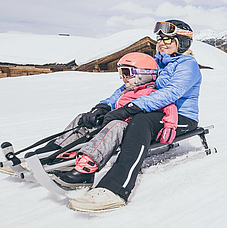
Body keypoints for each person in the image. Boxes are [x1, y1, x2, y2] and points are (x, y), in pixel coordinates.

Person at [67, 19, 202, 212]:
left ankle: (115, 189)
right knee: (98, 119)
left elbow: (171, 93)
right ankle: (60, 158)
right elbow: (128, 88)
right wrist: (105, 106)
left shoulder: (187, 65)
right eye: (160, 39)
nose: (162, 43)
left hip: (180, 118)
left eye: (169, 39)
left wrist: (132, 107)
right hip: (152, 111)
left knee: (140, 121)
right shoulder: (155, 62)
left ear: (181, 42)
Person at [49, 53, 178, 189]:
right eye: (121, 73)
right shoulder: (125, 91)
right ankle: (61, 151)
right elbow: (111, 103)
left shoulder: (151, 93)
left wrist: (169, 127)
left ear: (144, 74)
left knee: (115, 126)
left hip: (128, 128)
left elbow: (170, 108)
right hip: (111, 123)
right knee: (83, 119)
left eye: (127, 73)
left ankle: (86, 169)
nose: (123, 78)